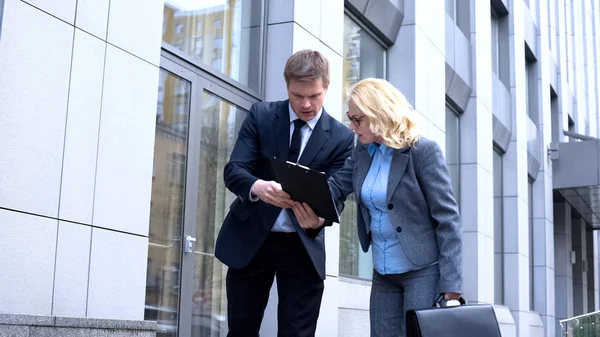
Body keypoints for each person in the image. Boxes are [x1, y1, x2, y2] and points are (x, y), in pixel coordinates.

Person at [292, 78, 463, 337]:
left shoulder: (422, 152)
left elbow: (448, 219)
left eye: (357, 119)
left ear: (379, 114)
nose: (351, 127)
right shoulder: (362, 152)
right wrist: (297, 188)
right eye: (350, 118)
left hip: (422, 271)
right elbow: (336, 187)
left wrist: (451, 283)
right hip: (383, 272)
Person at [215, 50, 355, 337]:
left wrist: (319, 219)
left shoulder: (343, 138)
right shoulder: (261, 116)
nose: (305, 104)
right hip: (251, 240)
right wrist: (258, 187)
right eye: (296, 95)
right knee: (240, 330)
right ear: (287, 87)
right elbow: (235, 169)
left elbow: (338, 193)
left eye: (314, 96)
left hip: (302, 247)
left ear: (326, 87)